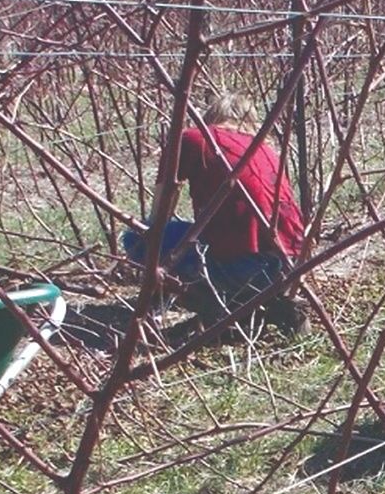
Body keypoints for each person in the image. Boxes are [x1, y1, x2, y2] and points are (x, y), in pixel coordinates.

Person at [122, 89, 307, 335]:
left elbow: (160, 213)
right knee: (191, 234)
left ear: (210, 117)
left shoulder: (193, 138)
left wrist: (157, 263)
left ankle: (214, 302)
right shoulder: (265, 148)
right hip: (289, 265)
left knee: (136, 238)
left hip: (240, 267)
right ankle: (247, 301)